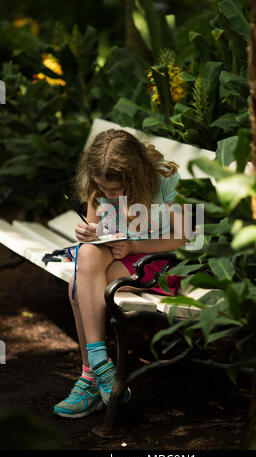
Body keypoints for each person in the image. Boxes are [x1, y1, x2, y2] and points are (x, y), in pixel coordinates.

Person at [53, 129, 188, 418]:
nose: (107, 195)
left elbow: (183, 238)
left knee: (77, 286)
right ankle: (100, 367)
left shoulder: (164, 180)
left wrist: (133, 245)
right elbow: (94, 235)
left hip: (157, 257)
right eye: (103, 189)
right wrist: (88, 233)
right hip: (118, 254)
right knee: (86, 255)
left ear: (134, 177)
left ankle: (90, 374)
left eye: (114, 191)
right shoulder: (99, 184)